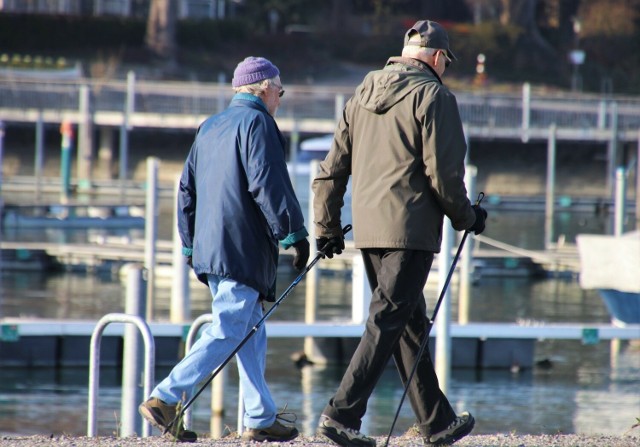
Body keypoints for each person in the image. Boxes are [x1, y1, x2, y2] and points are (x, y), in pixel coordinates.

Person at [312, 20, 487, 447]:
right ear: (437, 57)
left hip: (370, 231)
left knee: (407, 324)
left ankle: (437, 420)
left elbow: (331, 169)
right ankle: (341, 415)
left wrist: (326, 227)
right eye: (446, 60)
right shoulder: (436, 97)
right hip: (409, 230)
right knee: (388, 320)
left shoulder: (361, 92)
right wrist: (468, 218)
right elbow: (444, 176)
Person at [139, 56, 309, 443]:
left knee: (250, 329)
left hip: (211, 248)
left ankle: (260, 417)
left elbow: (186, 190)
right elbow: (268, 182)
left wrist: (188, 244)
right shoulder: (258, 123)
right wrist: (294, 234)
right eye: (280, 90)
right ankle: (165, 397)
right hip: (241, 247)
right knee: (230, 327)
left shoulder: (210, 126)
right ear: (265, 88)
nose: (280, 98)